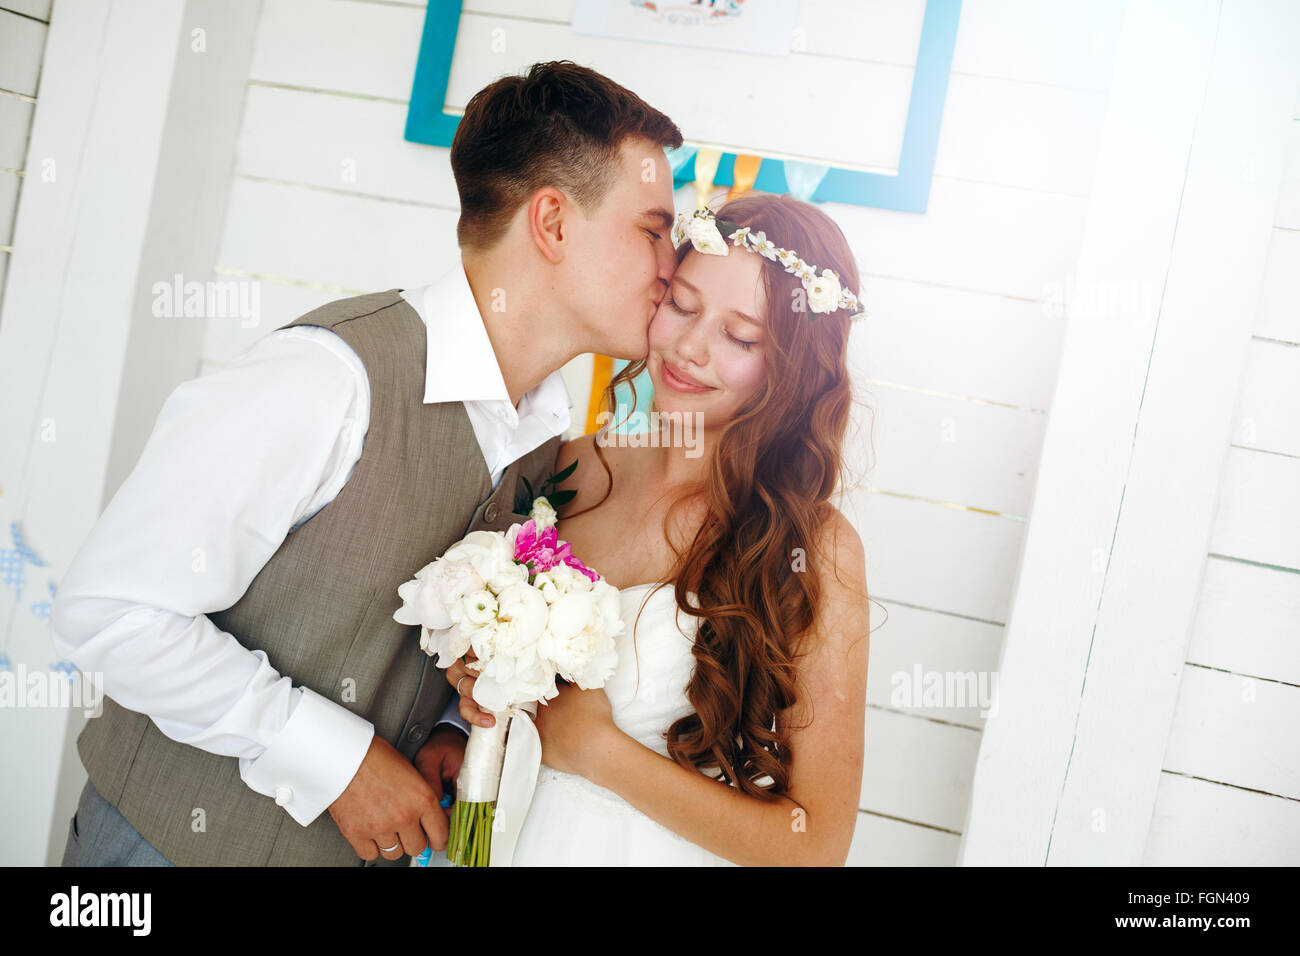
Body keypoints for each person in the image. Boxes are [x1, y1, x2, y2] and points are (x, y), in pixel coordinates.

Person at [51, 60, 682, 866]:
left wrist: (448, 727)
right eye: (652, 229)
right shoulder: (329, 378)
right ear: (553, 223)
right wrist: (339, 762)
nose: (672, 262)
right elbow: (110, 610)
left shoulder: (546, 438)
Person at [446, 192, 872, 866]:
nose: (690, 347)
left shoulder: (813, 546)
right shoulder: (573, 464)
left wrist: (598, 752)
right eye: (681, 303)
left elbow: (815, 845)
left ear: (791, 370)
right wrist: (481, 678)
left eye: (740, 337)